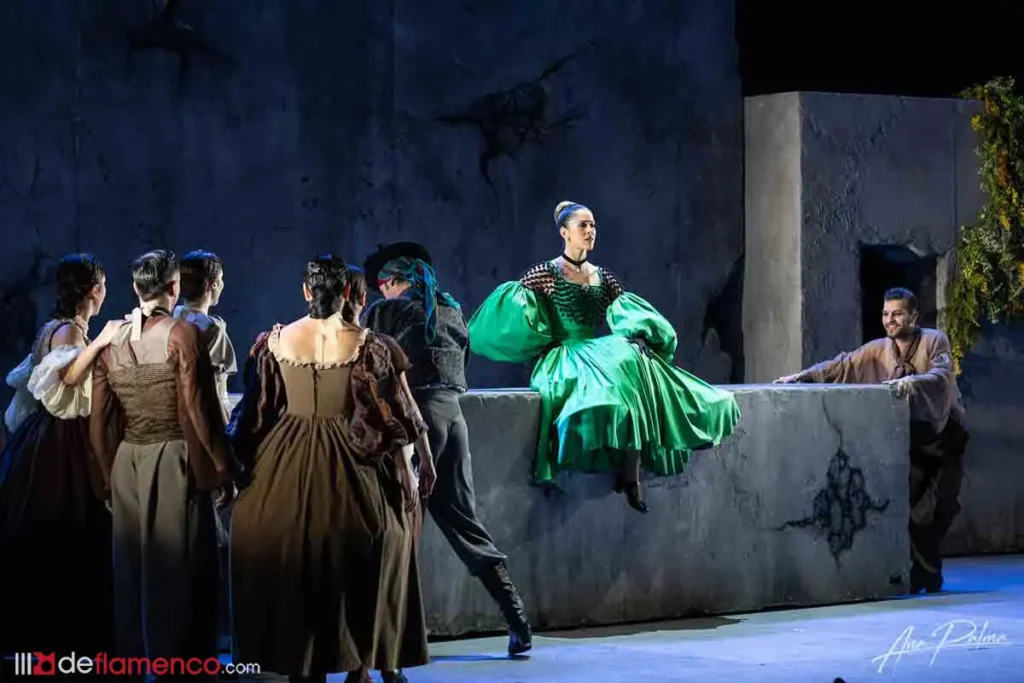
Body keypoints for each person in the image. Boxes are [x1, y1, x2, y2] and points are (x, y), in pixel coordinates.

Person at [228, 255, 436, 683]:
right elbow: (394, 415)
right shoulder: (367, 344)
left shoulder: (276, 341)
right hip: (352, 459)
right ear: (345, 293)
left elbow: (255, 412)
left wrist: (236, 468)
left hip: (285, 459)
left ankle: (306, 664)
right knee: (372, 549)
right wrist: (409, 470)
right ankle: (361, 661)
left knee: (296, 557)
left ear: (306, 291)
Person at [467, 201, 741, 513]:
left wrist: (640, 335)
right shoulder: (546, 274)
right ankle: (594, 457)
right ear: (564, 232)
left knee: (632, 356)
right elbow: (516, 315)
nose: (590, 231)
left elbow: (627, 312)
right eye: (582, 225)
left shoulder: (603, 277)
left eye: (593, 225)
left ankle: (633, 471)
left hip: (596, 348)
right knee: (603, 387)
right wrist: (540, 339)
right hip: (565, 353)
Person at [362, 242, 533, 657]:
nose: (380, 291)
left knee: (396, 523)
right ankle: (515, 616)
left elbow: (375, 366)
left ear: (395, 281)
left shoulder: (388, 311)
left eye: (383, 284)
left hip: (416, 419)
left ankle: (388, 633)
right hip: (454, 418)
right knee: (463, 520)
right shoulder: (451, 310)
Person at [89, 249, 237, 679]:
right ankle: (183, 669)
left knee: (133, 574)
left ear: (136, 288)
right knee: (180, 570)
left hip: (127, 462)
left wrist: (106, 476)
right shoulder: (182, 334)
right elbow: (200, 410)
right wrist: (223, 468)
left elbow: (99, 422)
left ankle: (138, 664)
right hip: (174, 459)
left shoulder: (112, 338)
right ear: (173, 287)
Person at [775, 287, 968, 594]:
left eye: (898, 314)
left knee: (945, 505)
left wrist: (913, 382)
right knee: (917, 512)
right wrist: (802, 376)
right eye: (886, 314)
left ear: (913, 316)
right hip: (914, 439)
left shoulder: (933, 341)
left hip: (945, 435)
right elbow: (842, 365)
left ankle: (926, 571)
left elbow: (941, 375)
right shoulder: (879, 349)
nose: (890, 320)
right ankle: (925, 575)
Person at [0, 253, 121, 655]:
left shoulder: (55, 328)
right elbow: (67, 377)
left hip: (44, 437)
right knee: (69, 530)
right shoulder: (68, 331)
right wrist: (102, 341)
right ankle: (65, 639)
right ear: (95, 290)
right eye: (103, 285)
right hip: (61, 441)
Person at [171, 249, 238, 649]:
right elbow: (212, 394)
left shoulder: (169, 322)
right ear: (212, 284)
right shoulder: (208, 328)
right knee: (212, 538)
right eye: (222, 279)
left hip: (170, 433)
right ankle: (210, 637)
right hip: (202, 433)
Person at [173, 249, 237, 421]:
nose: (223, 285)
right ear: (212, 284)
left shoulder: (171, 319)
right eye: (221, 279)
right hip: (202, 418)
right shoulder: (212, 329)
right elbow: (216, 392)